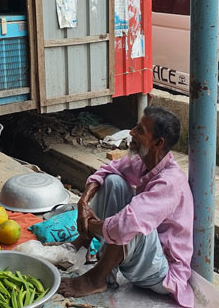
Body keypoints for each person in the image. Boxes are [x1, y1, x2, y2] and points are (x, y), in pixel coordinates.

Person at [58, 106, 195, 307]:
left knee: (131, 223)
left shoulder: (170, 182)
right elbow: (107, 170)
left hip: (161, 272)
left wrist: (90, 225)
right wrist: (83, 202)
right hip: (144, 257)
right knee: (113, 181)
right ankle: (96, 256)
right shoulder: (144, 162)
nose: (131, 132)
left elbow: (125, 225)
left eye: (140, 130)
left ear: (158, 143)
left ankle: (96, 278)